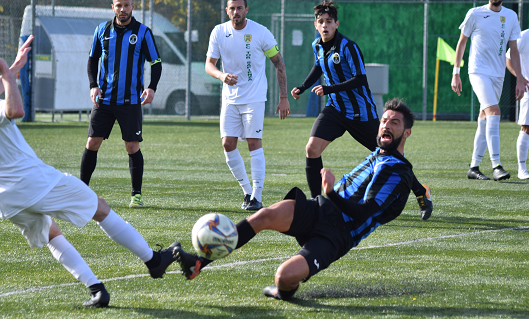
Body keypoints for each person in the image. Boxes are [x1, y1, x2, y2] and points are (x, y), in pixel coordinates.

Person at [0, 43, 176, 308]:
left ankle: (97, 290)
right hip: (34, 182)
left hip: (6, 199)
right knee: (100, 208)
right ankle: (154, 261)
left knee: (52, 233)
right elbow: (14, 110)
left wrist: (16, 66)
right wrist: (6, 71)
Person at [169, 98, 415, 300]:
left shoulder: (396, 171)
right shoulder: (380, 154)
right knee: (264, 215)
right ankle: (198, 264)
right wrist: (326, 197)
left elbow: (365, 211)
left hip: (338, 235)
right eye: (384, 120)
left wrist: (329, 193)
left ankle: (285, 292)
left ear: (406, 133)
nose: (386, 125)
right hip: (320, 209)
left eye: (394, 123)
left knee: (283, 277)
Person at [291, 0, 432, 219]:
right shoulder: (316, 45)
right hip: (335, 110)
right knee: (312, 149)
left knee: (390, 155)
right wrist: (303, 86)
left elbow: (360, 79)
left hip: (361, 114)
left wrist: (328, 88)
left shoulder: (348, 47)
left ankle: (421, 193)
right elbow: (319, 66)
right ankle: (316, 202)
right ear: (316, 25)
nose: (325, 25)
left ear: (336, 24)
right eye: (321, 22)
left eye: (329, 21)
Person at [205, 0, 290, 211]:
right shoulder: (219, 31)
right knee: (227, 144)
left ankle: (257, 197)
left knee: (253, 143)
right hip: (230, 99)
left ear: (246, 9)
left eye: (240, 8)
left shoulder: (260, 32)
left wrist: (283, 98)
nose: (236, 12)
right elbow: (210, 65)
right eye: (232, 8)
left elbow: (279, 64)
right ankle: (247, 192)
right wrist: (222, 76)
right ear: (227, 11)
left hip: (254, 98)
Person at [81, 0, 162, 208]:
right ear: (112, 7)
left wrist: (152, 88)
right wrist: (93, 86)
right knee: (92, 142)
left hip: (131, 101)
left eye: (126, 5)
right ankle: (82, 192)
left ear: (132, 6)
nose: (122, 9)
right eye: (118, 5)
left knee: (132, 146)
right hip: (104, 100)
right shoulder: (102, 30)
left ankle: (136, 195)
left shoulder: (143, 32)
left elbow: (156, 63)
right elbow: (92, 60)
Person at [452, 0, 526, 181]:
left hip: (498, 74)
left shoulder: (511, 16)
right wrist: (455, 72)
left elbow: (514, 51)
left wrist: (520, 79)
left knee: (484, 120)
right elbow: (461, 43)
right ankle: (497, 166)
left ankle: (474, 167)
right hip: (477, 72)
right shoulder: (475, 14)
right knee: (494, 112)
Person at [506, 29, 529, 179]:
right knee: (526, 127)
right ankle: (522, 169)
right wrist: (520, 78)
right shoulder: (525, 36)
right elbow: (508, 59)